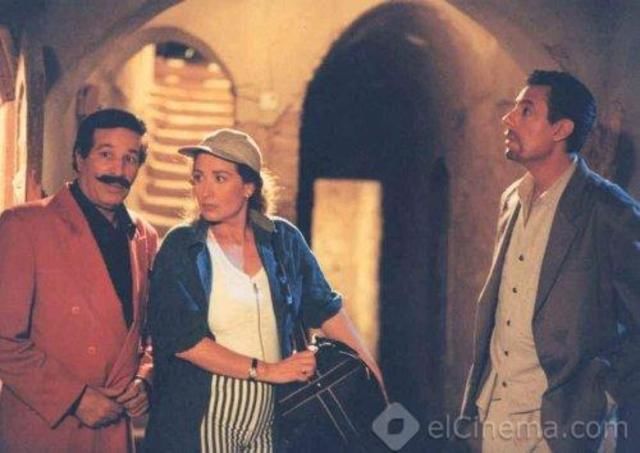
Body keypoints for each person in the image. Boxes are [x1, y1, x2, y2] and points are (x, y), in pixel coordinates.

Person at [144, 128, 383, 453]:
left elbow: (328, 311)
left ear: (249, 187)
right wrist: (269, 370)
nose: (205, 191)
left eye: (219, 178)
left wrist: (376, 382)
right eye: (198, 178)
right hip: (208, 414)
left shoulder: (283, 240)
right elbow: (182, 341)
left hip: (274, 418)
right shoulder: (182, 247)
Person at [459, 70, 640, 452]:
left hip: (565, 425)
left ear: (561, 129)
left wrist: (605, 394)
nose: (508, 118)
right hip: (498, 415)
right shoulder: (511, 199)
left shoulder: (609, 211)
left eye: (526, 110)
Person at [0, 108, 158, 452]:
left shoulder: (145, 236)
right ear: (79, 158)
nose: (118, 171)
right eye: (106, 154)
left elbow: (151, 331)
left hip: (114, 431)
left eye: (130, 158)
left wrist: (145, 378)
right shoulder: (24, 225)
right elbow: (4, 339)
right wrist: (74, 398)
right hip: (44, 429)